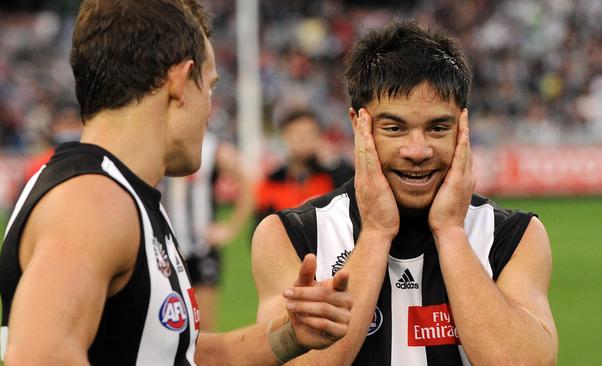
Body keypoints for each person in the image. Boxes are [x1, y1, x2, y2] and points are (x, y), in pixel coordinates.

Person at [0, 1, 352, 365]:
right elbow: (39, 356)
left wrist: (290, 334)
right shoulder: (93, 200)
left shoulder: (122, 193)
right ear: (181, 83)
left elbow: (177, 354)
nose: (210, 111)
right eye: (210, 88)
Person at [252, 21, 558, 365]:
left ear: (463, 127)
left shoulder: (514, 237)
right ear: (358, 124)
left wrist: (452, 232)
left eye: (438, 127)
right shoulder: (289, 237)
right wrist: (377, 232)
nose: (418, 150)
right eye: (394, 128)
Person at [160, 130, 254, 331]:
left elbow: (248, 185)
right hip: (164, 247)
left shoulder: (212, 148)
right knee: (166, 326)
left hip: (201, 247)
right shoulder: (156, 141)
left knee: (204, 328)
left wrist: (230, 228)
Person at [255, 109, 354, 223]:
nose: (303, 140)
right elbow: (261, 227)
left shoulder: (335, 174)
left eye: (309, 134)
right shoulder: (272, 181)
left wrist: (329, 161)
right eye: (296, 134)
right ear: (285, 137)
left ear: (319, 137)